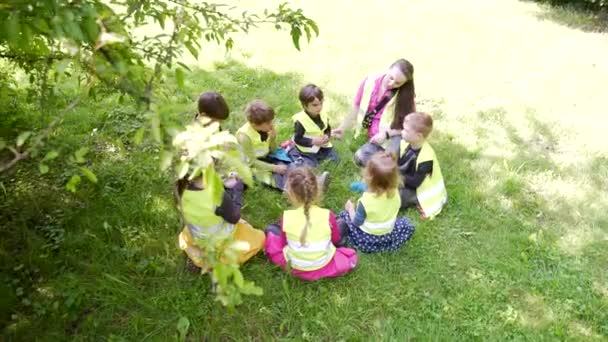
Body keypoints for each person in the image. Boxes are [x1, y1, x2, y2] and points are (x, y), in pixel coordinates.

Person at [176, 91, 265, 271]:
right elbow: (234, 217)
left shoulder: (181, 186)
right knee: (258, 237)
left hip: (197, 232)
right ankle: (212, 259)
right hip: (218, 237)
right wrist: (236, 188)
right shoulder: (215, 192)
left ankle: (197, 255)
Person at [264, 167, 357, 281]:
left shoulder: (286, 217)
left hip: (295, 266)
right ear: (317, 190)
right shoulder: (327, 215)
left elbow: (284, 244)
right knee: (341, 223)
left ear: (290, 194)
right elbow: (335, 239)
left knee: (272, 229)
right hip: (323, 264)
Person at [333, 59, 416, 167]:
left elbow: (409, 127)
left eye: (398, 83)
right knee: (360, 157)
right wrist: (342, 128)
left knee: (387, 163)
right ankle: (389, 165)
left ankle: (392, 166)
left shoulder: (406, 95)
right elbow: (356, 107)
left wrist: (386, 134)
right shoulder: (369, 81)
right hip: (376, 139)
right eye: (391, 78)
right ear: (388, 69)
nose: (392, 84)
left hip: (394, 136)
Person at [338, 152, 415, 253]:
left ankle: (368, 244)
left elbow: (357, 222)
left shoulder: (366, 202)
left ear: (369, 179)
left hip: (367, 236)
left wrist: (350, 208)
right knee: (405, 224)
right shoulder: (396, 192)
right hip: (388, 231)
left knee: (344, 217)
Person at [398, 112, 447, 219]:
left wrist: (398, 178)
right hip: (407, 180)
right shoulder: (405, 143)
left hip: (420, 190)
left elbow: (415, 182)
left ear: (418, 136)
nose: (402, 132)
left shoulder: (426, 157)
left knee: (396, 198)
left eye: (406, 130)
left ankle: (413, 201)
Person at [236, 100, 289, 190]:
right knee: (271, 178)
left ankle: (310, 181)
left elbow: (273, 150)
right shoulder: (244, 137)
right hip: (252, 164)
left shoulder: (266, 129)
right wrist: (274, 168)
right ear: (254, 124)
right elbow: (252, 162)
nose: (271, 125)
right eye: (268, 123)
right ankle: (290, 189)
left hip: (266, 156)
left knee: (287, 165)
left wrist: (272, 139)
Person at [288, 84, 340, 168]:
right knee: (309, 166)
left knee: (336, 160)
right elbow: (298, 139)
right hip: (307, 150)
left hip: (322, 146)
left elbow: (328, 128)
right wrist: (312, 141)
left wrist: (327, 135)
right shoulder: (301, 121)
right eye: (315, 105)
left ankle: (320, 158)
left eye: (321, 103)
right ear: (305, 105)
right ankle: (297, 157)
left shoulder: (323, 115)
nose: (319, 107)